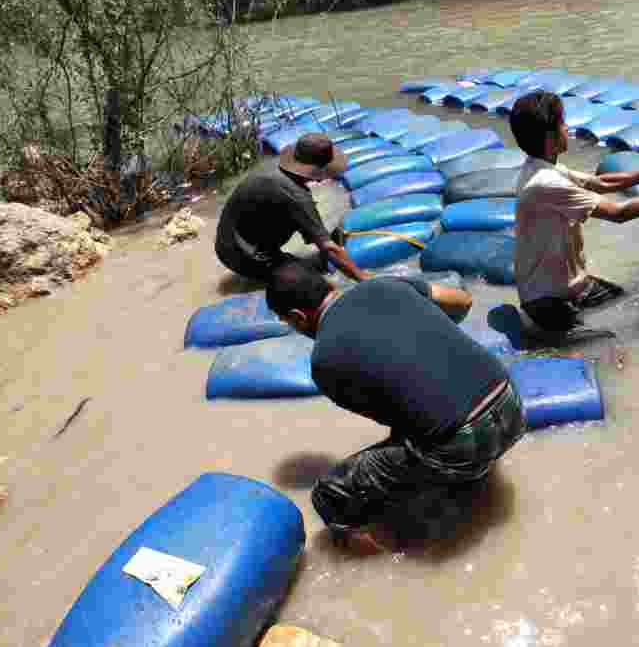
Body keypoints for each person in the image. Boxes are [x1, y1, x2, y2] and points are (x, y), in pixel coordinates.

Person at [266, 260, 527, 551]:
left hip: (462, 442)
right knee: (436, 428)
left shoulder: (324, 362)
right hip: (512, 404)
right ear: (326, 285)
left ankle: (386, 572)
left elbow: (397, 422)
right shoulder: (384, 284)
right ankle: (469, 476)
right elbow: (463, 301)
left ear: (297, 316)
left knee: (330, 495)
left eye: (286, 321)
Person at [509, 90, 639, 335]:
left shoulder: (543, 168)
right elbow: (619, 212)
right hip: (547, 303)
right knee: (611, 341)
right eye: (562, 123)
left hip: (574, 287)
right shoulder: (545, 182)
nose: (567, 128)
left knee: (630, 302)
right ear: (550, 137)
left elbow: (602, 183)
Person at [215, 133, 371, 284]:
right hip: (240, 254)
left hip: (231, 238)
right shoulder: (295, 195)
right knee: (311, 282)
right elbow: (328, 248)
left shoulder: (274, 167)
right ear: (318, 170)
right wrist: (362, 277)